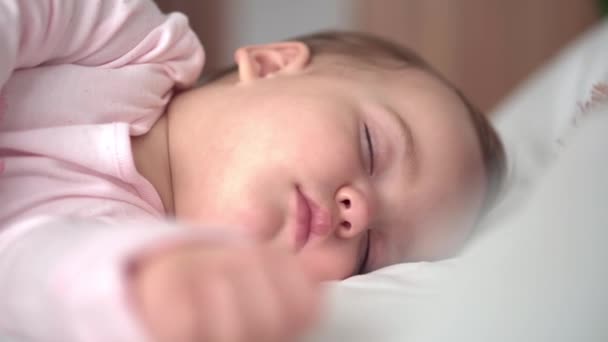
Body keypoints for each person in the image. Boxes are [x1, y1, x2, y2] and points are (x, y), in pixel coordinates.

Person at [0, 0, 505, 341]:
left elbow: (31, 282)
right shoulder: (134, 48)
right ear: (270, 65)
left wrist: (154, 286)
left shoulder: (122, 253)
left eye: (371, 253)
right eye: (371, 147)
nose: (360, 211)